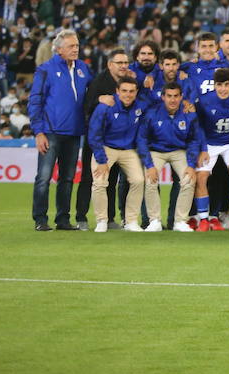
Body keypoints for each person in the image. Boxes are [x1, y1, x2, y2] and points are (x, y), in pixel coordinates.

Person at [29, 29, 93, 231]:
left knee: (67, 179)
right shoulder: (45, 70)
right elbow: (35, 101)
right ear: (59, 50)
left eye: (77, 45)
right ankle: (40, 219)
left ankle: (63, 219)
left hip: (74, 132)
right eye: (71, 46)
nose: (76, 49)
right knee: (44, 177)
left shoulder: (83, 68)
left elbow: (95, 90)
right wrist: (39, 132)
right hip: (50, 132)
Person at [193, 68, 229, 232]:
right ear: (214, 85)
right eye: (219, 85)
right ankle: (203, 220)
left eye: (226, 85)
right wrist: (203, 149)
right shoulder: (203, 100)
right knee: (201, 177)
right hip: (209, 144)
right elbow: (198, 125)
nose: (223, 89)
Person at [86, 75, 147, 232]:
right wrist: (101, 160)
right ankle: (102, 220)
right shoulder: (105, 107)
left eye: (131, 91)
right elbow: (94, 134)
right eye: (124, 91)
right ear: (117, 91)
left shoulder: (140, 107)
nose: (128, 94)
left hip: (129, 150)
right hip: (106, 148)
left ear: (136, 92)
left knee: (139, 180)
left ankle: (131, 221)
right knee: (99, 182)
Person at [139, 82, 199, 232]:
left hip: (179, 151)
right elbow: (142, 139)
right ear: (163, 97)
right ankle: (154, 221)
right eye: (169, 96)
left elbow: (194, 140)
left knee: (189, 179)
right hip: (156, 150)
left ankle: (180, 221)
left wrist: (191, 165)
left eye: (176, 96)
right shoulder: (152, 113)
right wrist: (149, 165)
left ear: (181, 97)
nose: (173, 100)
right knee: (150, 179)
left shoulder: (188, 114)